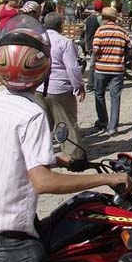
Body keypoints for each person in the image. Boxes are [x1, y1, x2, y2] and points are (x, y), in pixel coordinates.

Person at [0, 15, 132, 262]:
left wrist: (56, 159)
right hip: (5, 233)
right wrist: (107, 177)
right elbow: (42, 182)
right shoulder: (31, 114)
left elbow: (6, 149)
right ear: (41, 67)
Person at [35, 12, 85, 160]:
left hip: (39, 87)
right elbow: (72, 68)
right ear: (61, 25)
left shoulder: (37, 40)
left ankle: (41, 154)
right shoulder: (64, 42)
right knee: (66, 122)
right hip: (59, 88)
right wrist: (78, 85)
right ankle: (73, 156)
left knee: (43, 124)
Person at [92, 7, 131, 136]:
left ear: (105, 18)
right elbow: (128, 49)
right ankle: (113, 127)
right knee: (115, 98)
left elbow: (95, 49)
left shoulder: (100, 31)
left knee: (99, 95)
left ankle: (103, 121)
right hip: (117, 69)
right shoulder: (123, 32)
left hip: (101, 69)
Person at [84, 0, 104, 93]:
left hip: (89, 43)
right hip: (97, 44)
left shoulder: (88, 18)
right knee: (94, 65)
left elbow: (85, 32)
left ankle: (93, 84)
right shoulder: (100, 19)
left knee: (93, 64)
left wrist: (87, 44)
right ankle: (91, 85)